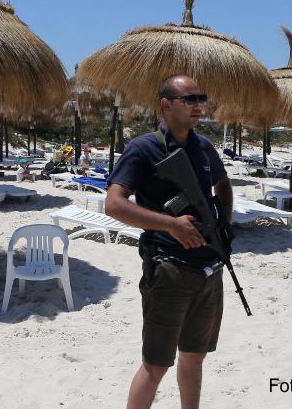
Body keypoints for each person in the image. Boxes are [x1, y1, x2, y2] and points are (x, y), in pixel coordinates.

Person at [105, 75, 232, 409]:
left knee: (195, 357)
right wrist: (171, 224)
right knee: (156, 364)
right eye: (189, 99)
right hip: (169, 269)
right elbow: (114, 204)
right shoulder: (143, 148)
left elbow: (223, 184)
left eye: (200, 99)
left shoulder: (204, 147)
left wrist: (225, 225)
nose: (198, 106)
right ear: (166, 104)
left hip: (209, 268)